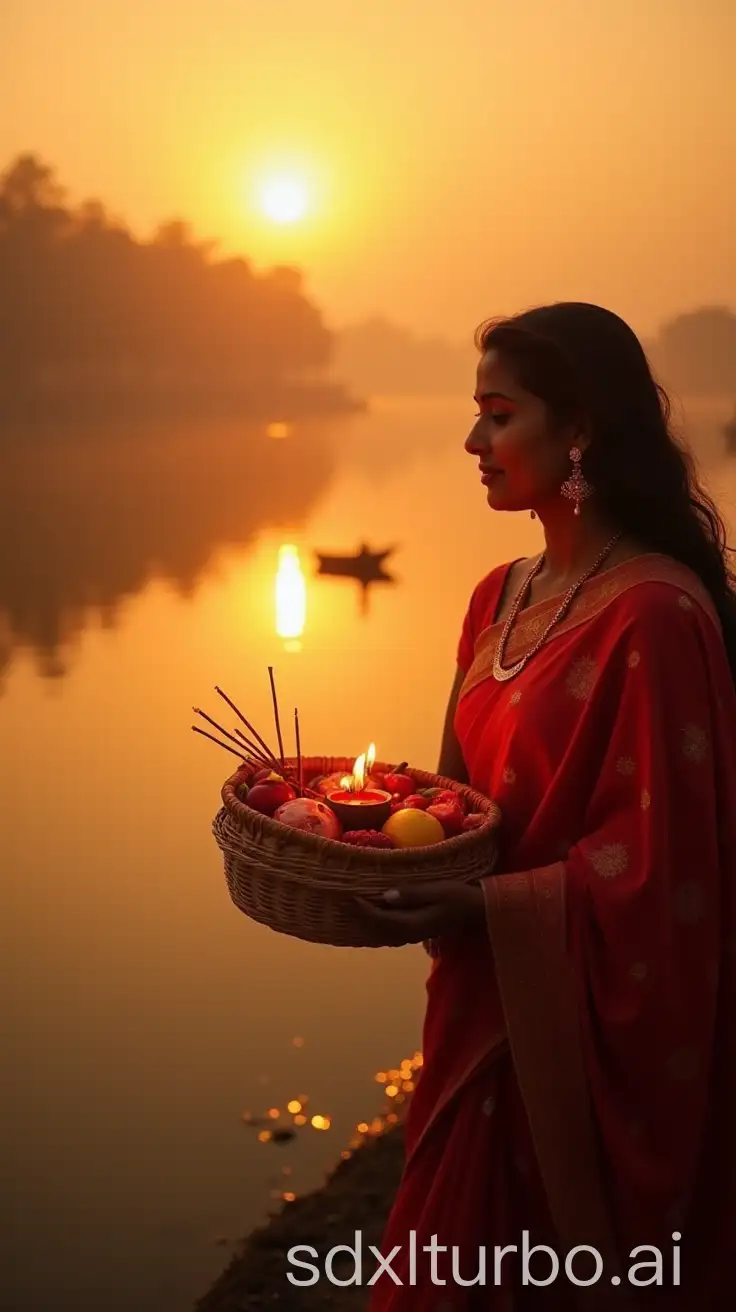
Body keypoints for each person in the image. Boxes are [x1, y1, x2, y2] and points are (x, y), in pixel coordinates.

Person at [356, 302, 736, 1309]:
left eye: (498, 414)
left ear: (578, 431)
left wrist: (488, 910)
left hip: (573, 1030)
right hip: (481, 1009)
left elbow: (671, 869)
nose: (473, 441)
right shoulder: (495, 596)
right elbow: (452, 811)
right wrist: (362, 834)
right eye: (475, 414)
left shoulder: (656, 616)